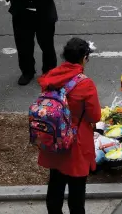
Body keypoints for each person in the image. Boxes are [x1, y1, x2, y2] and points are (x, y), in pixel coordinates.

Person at [37, 38, 101, 214]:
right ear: (84, 58)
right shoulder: (85, 84)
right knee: (76, 194)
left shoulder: (52, 76)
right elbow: (94, 116)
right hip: (76, 142)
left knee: (55, 184)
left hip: (53, 136)